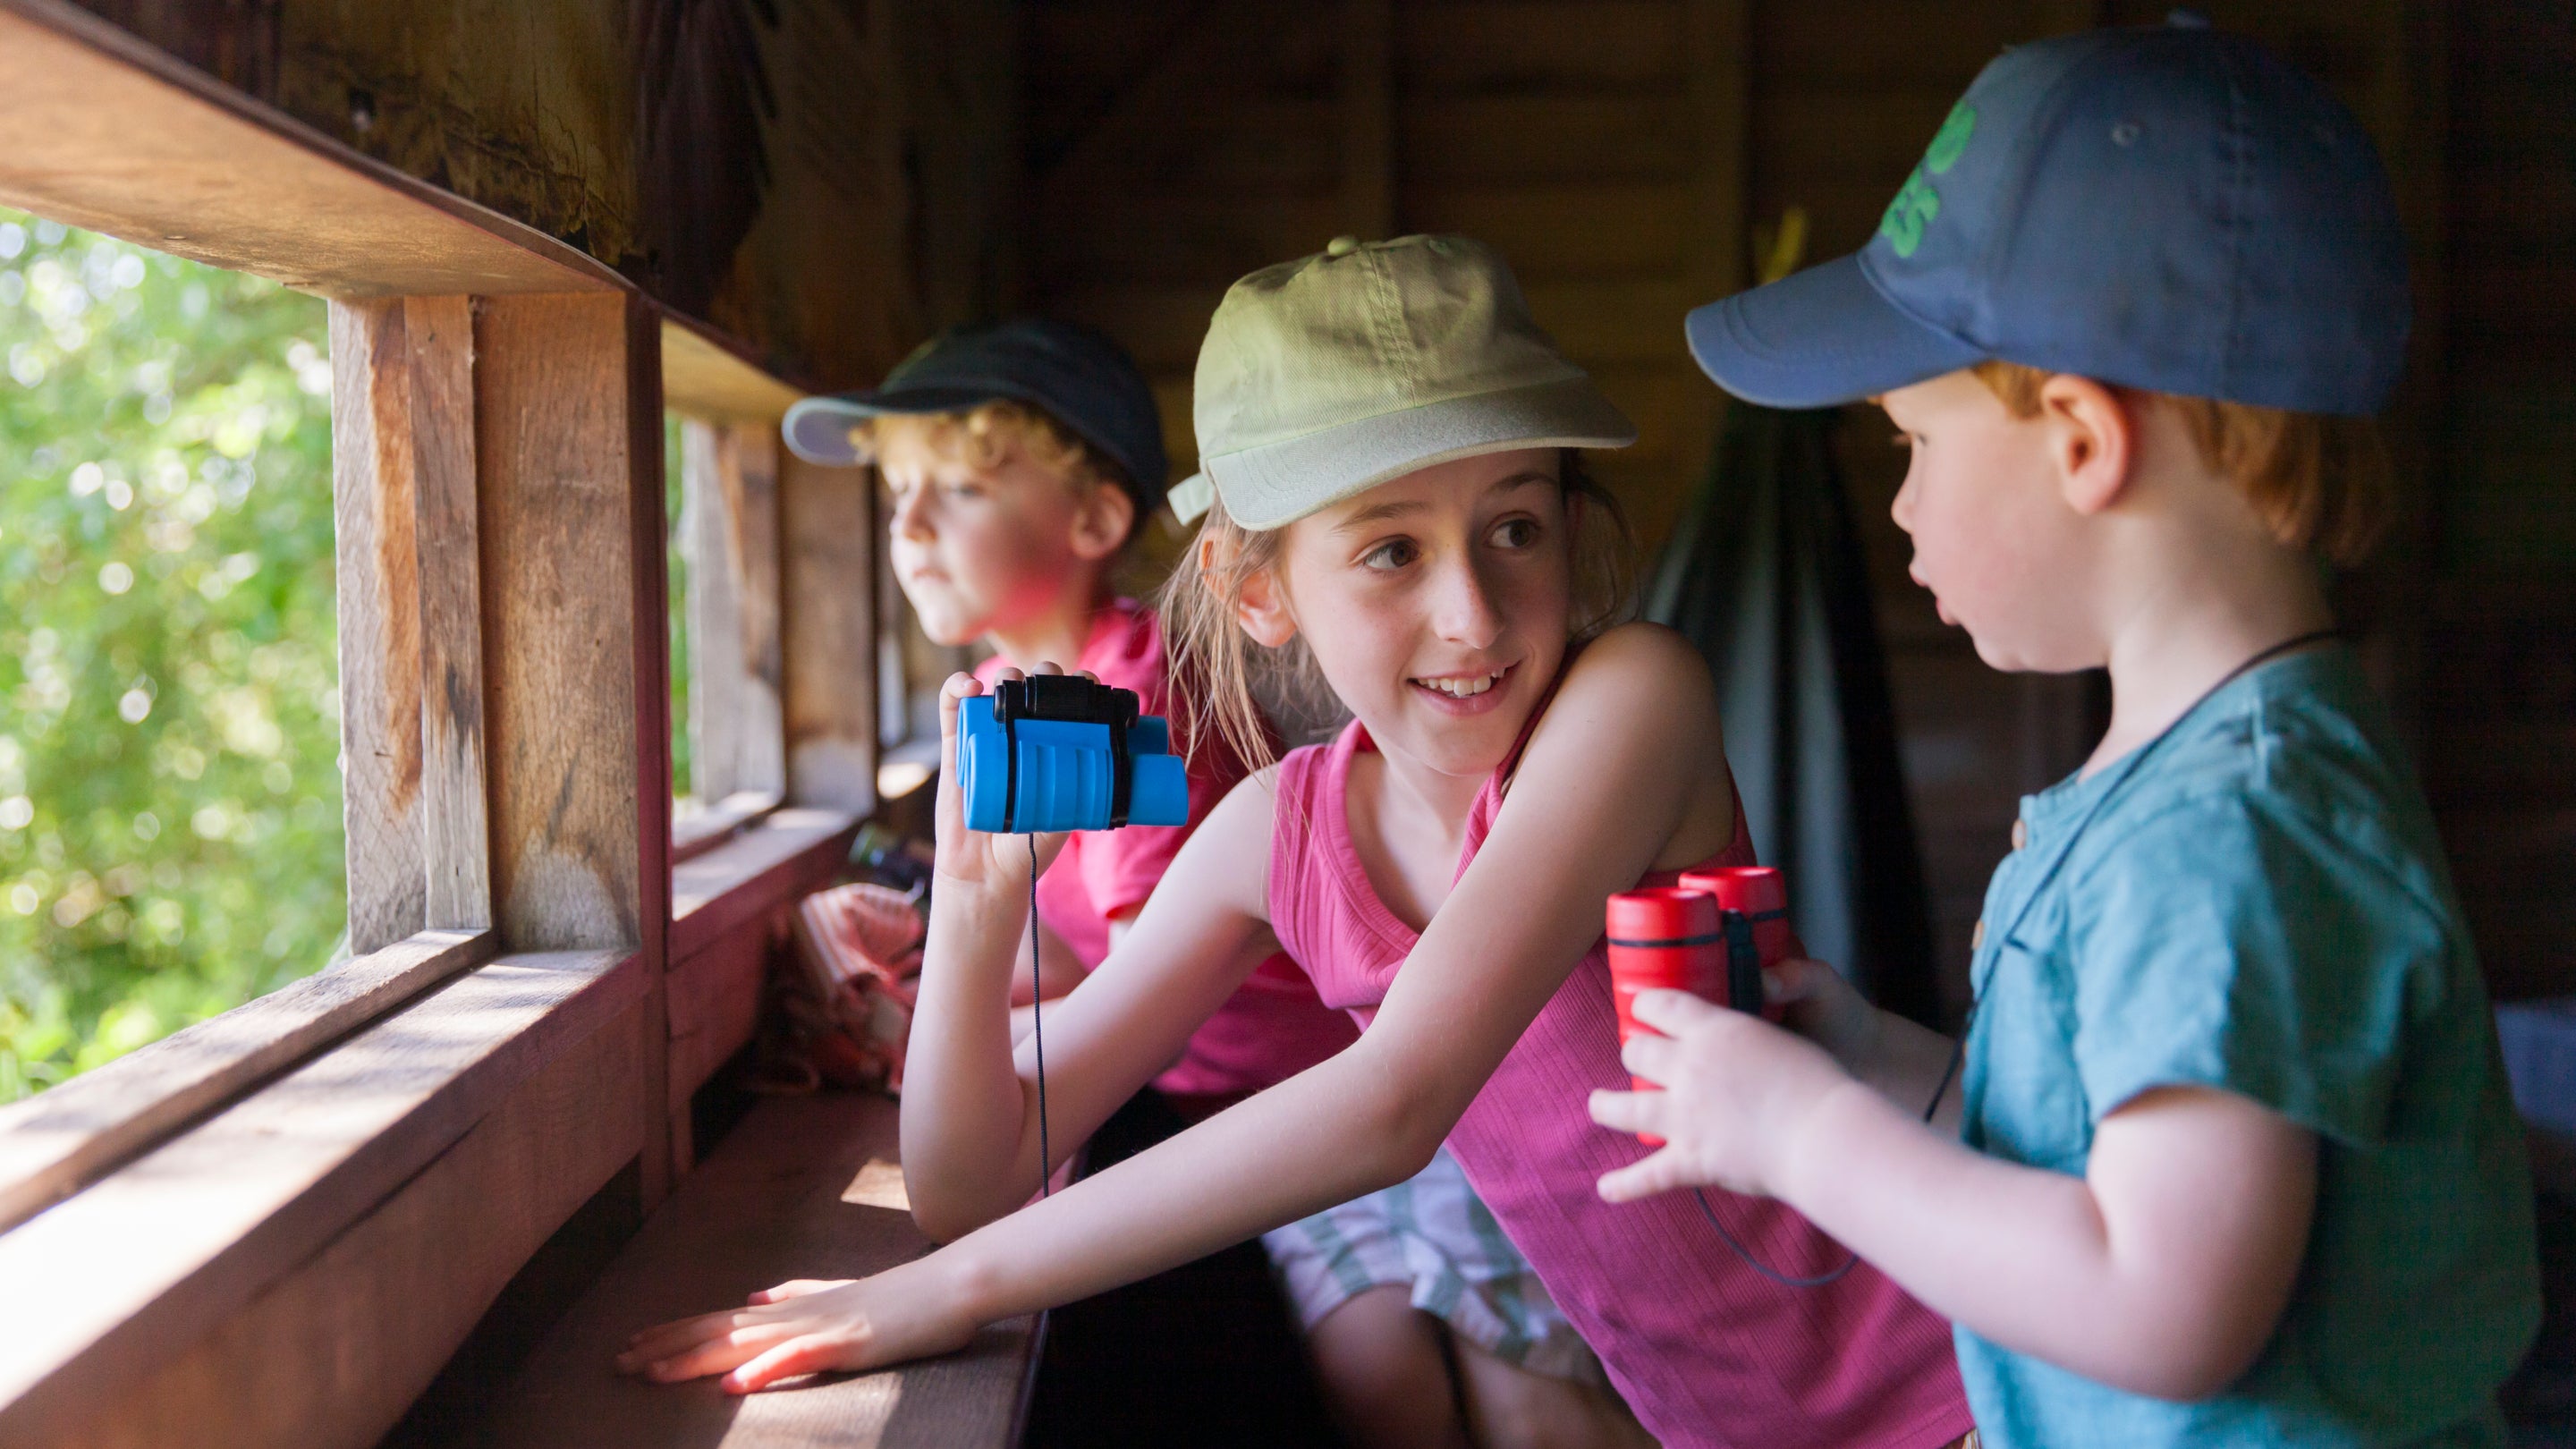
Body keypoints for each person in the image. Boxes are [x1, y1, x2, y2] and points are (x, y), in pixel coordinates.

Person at [629, 235, 1975, 1449]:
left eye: (1516, 525)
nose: (1473, 612)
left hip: (1970, 1377)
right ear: (1255, 587)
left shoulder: (1633, 704)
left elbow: (1395, 1103)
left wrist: (935, 1298)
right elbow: (969, 1182)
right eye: (1391, 550)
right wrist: (980, 912)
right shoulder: (1277, 836)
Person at [1597, 21, 2542, 1449]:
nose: (1902, 505)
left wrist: (1804, 1134)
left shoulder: (2230, 837)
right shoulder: (2216, 773)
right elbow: (2116, 1151)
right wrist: (1886, 1066)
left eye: (1911, 447)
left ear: (2083, 440)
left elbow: (2165, 1302)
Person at [781, 319, 1359, 1103]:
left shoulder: (1130, 704)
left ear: (1095, 522)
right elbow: (1059, 953)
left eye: (957, 489)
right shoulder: (1004, 687)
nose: (907, 523)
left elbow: (1138, 1020)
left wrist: (911, 1039)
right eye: (898, 490)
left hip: (1242, 1100)